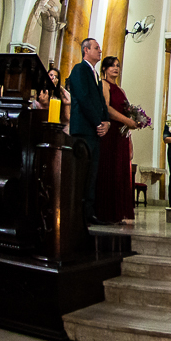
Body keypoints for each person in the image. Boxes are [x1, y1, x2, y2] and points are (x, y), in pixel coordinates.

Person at [67, 38, 110, 224]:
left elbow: (100, 102)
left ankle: (89, 212)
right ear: (86, 50)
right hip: (84, 130)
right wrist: (97, 123)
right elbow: (83, 98)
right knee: (82, 172)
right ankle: (77, 211)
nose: (100, 51)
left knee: (92, 172)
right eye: (96, 48)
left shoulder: (95, 75)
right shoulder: (79, 70)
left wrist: (106, 121)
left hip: (94, 130)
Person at [96, 56, 137, 225]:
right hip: (110, 133)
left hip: (121, 135)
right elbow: (106, 108)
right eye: (111, 66)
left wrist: (130, 135)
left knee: (120, 171)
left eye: (118, 66)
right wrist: (127, 121)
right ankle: (106, 212)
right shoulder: (104, 85)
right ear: (104, 69)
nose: (115, 68)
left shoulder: (120, 89)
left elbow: (126, 112)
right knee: (109, 169)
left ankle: (119, 212)